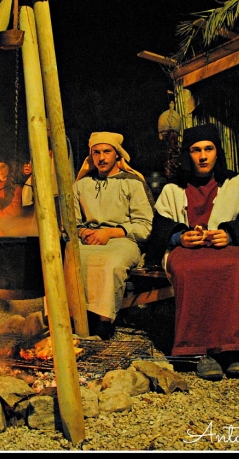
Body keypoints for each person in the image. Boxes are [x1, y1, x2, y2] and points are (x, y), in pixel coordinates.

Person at [147, 123, 239, 380]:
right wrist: (179, 236)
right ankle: (199, 353)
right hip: (188, 253)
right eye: (196, 150)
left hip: (229, 249)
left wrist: (231, 234)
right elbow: (158, 229)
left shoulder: (236, 183)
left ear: (217, 152)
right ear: (187, 154)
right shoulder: (172, 189)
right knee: (189, 268)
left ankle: (237, 351)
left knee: (236, 266)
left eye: (208, 149)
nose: (203, 156)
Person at [73, 131, 154, 340]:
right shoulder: (81, 185)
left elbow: (145, 226)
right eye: (96, 152)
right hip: (88, 240)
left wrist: (109, 233)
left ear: (117, 155)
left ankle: (103, 322)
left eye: (107, 152)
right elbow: (71, 223)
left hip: (123, 240)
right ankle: (75, 318)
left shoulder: (132, 183)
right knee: (70, 261)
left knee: (110, 264)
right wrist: (82, 232)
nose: (101, 157)